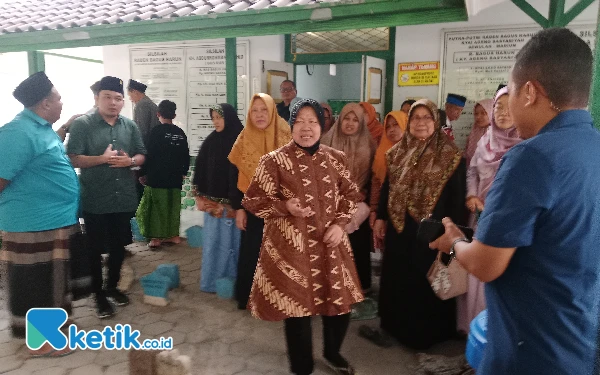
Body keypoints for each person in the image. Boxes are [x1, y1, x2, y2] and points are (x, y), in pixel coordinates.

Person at [430, 28, 600, 374]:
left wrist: (456, 241)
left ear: (530, 92)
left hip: (531, 344)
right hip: (578, 332)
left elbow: (485, 264)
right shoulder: (593, 147)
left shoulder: (531, 157)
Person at [243, 99, 363, 375]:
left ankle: (333, 353)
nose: (306, 128)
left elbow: (351, 195)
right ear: (291, 125)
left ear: (321, 125)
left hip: (331, 243)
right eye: (300, 122)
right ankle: (302, 365)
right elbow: (253, 200)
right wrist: (285, 206)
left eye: (312, 122)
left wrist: (341, 224)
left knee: (339, 304)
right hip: (291, 248)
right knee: (298, 307)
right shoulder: (273, 161)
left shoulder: (336, 158)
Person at [369, 99, 466, 350]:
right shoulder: (398, 153)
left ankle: (426, 336)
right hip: (400, 229)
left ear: (435, 121)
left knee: (427, 280)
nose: (421, 123)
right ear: (409, 121)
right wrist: (380, 217)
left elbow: (457, 198)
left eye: (426, 118)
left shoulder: (451, 156)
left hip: (433, 232)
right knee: (399, 278)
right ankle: (394, 327)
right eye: (416, 118)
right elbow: (389, 188)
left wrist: (453, 234)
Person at [0, 72, 79, 357]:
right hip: (31, 224)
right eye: (58, 98)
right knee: (36, 284)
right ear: (45, 103)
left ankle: (55, 331)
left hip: (51, 221)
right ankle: (43, 342)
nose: (61, 103)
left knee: (52, 281)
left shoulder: (41, 128)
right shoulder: (17, 132)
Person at [67, 76, 147, 319]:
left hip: (122, 198)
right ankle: (98, 295)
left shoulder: (129, 126)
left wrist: (130, 161)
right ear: (97, 98)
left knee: (118, 246)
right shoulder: (83, 125)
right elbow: (72, 158)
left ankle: (112, 287)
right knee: (94, 250)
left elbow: (142, 154)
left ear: (123, 101)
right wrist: (102, 159)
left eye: (118, 98)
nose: (113, 102)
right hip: (96, 199)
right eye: (107, 97)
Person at [458, 87, 521, 335]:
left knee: (497, 270)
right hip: (480, 215)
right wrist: (471, 194)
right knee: (476, 269)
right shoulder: (486, 140)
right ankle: (473, 325)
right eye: (498, 106)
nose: (503, 112)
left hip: (506, 219)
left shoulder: (524, 144)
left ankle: (495, 331)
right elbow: (472, 171)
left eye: (508, 106)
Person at [228, 93, 292, 310]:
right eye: (254, 110)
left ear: (272, 110)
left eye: (264, 109)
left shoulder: (285, 135)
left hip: (281, 209)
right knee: (252, 253)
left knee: (280, 255)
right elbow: (235, 177)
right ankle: (249, 297)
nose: (259, 115)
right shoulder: (243, 139)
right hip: (252, 208)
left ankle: (277, 301)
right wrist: (239, 208)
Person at [322, 103, 376, 293]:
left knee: (356, 248)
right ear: (340, 119)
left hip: (357, 204)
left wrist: (365, 192)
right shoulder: (326, 142)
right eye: (347, 118)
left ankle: (359, 287)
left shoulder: (369, 144)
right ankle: (334, 288)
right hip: (330, 202)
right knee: (332, 246)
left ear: (361, 123)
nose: (350, 123)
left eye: (355, 120)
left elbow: (374, 176)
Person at [193, 103, 243, 293]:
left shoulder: (242, 139)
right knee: (215, 244)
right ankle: (212, 282)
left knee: (236, 245)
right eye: (213, 118)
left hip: (236, 206)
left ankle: (236, 282)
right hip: (214, 207)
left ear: (228, 117)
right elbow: (200, 169)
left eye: (219, 117)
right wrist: (198, 195)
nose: (216, 121)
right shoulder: (211, 141)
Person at [136, 100, 189, 248]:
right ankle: (174, 236)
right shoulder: (180, 133)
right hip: (175, 178)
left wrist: (143, 173)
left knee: (157, 207)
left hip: (157, 177)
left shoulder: (155, 132)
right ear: (174, 114)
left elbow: (148, 154)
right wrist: (183, 172)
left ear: (158, 114)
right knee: (173, 206)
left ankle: (156, 239)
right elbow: (185, 154)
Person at [369, 111, 408, 239]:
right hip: (384, 210)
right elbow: (376, 183)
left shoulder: (413, 152)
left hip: (407, 214)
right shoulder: (382, 152)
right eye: (388, 126)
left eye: (396, 125)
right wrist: (374, 210)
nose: (392, 130)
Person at [128, 79, 161, 147]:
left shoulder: (141, 105)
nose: (130, 99)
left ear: (135, 92)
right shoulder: (149, 103)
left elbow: (141, 131)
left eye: (130, 95)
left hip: (146, 148)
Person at [462, 98, 493, 168]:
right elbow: (467, 153)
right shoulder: (474, 131)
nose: (478, 117)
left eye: (483, 113)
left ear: (491, 112)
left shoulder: (498, 134)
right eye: (476, 114)